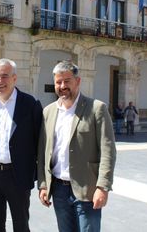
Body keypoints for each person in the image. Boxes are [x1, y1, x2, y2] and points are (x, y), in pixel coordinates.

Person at [38, 61, 116, 232]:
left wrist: (102, 187)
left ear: (78, 81)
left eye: (67, 81)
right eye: (58, 82)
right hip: (58, 189)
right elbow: (43, 152)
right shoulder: (48, 112)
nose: (62, 86)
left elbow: (108, 151)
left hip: (87, 189)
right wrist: (43, 185)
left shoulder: (96, 109)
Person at [0, 58, 43, 232]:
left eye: (5, 76)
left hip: (18, 176)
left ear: (14, 78)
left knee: (21, 225)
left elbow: (40, 142)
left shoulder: (30, 104)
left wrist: (40, 177)